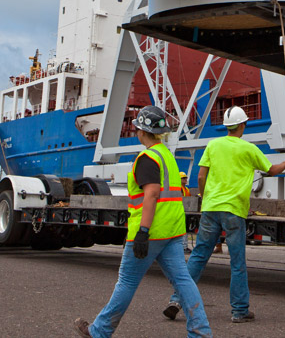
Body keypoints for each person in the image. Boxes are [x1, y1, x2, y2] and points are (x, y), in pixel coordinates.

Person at [74, 106, 210, 338]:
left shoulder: (147, 158)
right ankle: (201, 332)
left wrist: (143, 232)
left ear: (141, 131)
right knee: (183, 281)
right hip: (173, 230)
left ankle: (99, 331)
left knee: (126, 282)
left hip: (152, 230)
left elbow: (152, 194)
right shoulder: (167, 155)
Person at [164, 106, 285, 324]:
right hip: (234, 210)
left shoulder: (213, 145)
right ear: (243, 125)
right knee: (237, 263)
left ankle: (176, 301)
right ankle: (239, 311)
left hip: (210, 208)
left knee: (198, 256)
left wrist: (205, 198)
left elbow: (200, 176)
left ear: (227, 126)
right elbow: (271, 170)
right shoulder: (248, 149)